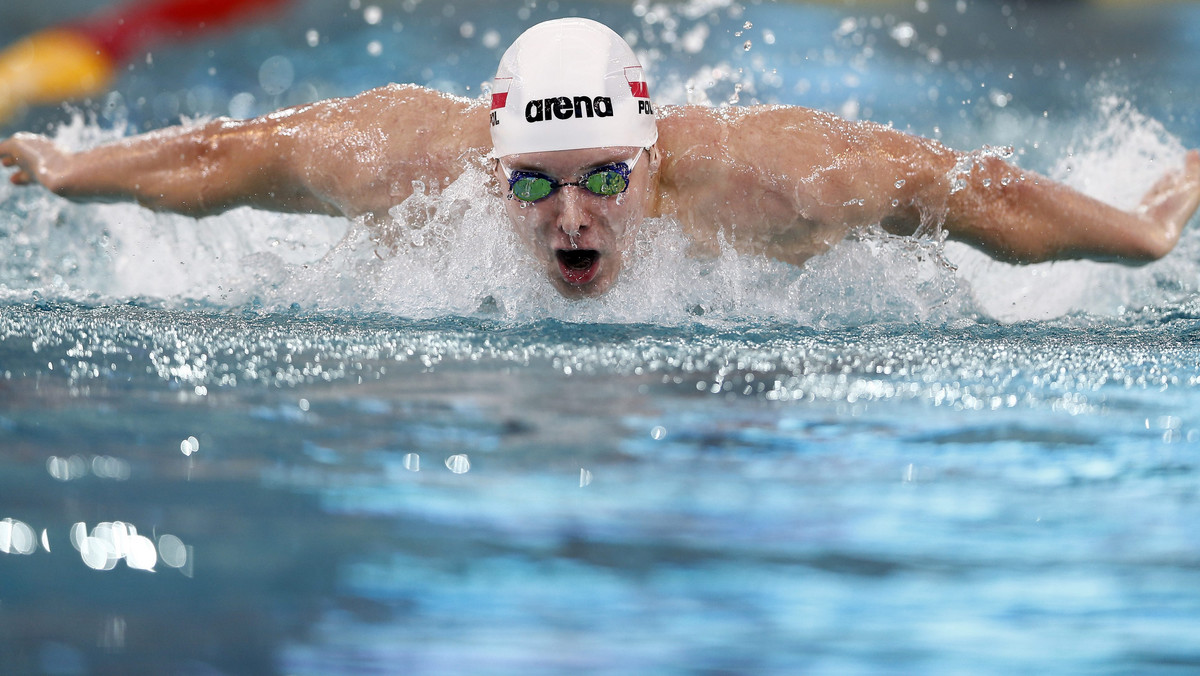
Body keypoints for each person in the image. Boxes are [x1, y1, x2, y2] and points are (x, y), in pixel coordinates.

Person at [3, 18, 1199, 298]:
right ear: (490, 163)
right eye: (535, 182)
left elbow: (974, 189)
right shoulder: (412, 160)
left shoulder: (772, 177)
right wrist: (67, 169)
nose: (571, 216)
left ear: (651, 151)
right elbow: (223, 155)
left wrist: (1142, 228)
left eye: (603, 180)